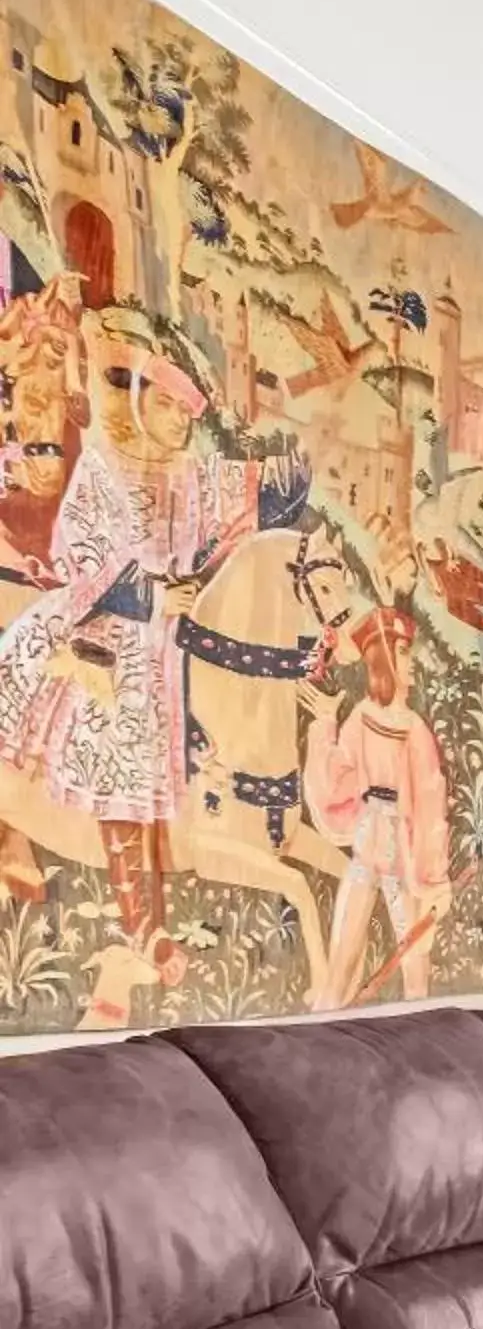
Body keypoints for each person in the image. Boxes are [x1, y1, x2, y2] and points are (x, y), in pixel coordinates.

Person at [0, 310, 256, 951]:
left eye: (191, 418)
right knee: (116, 761)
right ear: (149, 405)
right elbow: (79, 554)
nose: (183, 425)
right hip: (111, 637)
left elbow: (252, 499)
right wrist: (153, 592)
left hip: (165, 650)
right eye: (175, 411)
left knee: (156, 773)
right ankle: (141, 925)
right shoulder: (102, 468)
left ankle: (154, 914)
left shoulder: (189, 478)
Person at [301, 604, 451, 1005]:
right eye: (403, 652)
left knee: (414, 953)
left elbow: (431, 810)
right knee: (346, 943)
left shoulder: (415, 729)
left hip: (403, 847)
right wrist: (324, 724)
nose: (412, 662)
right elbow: (335, 781)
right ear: (384, 659)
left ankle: (419, 1021)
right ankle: (327, 1016)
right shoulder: (361, 718)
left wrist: (436, 880)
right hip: (370, 837)